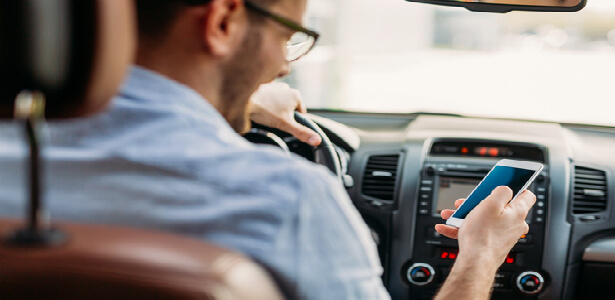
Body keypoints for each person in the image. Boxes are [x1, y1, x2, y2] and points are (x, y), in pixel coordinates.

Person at [0, 0, 535, 298]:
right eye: (288, 37)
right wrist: (482, 252)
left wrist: (235, 94)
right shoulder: (285, 197)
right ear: (223, 21)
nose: (285, 65)